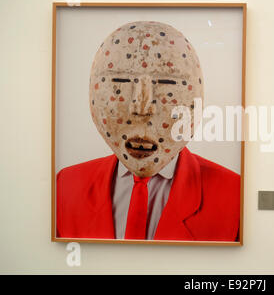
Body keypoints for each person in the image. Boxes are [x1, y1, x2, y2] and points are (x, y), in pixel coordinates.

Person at [56, 21, 240, 242]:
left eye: (167, 84)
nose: (141, 108)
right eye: (119, 82)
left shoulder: (234, 196)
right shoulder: (65, 186)